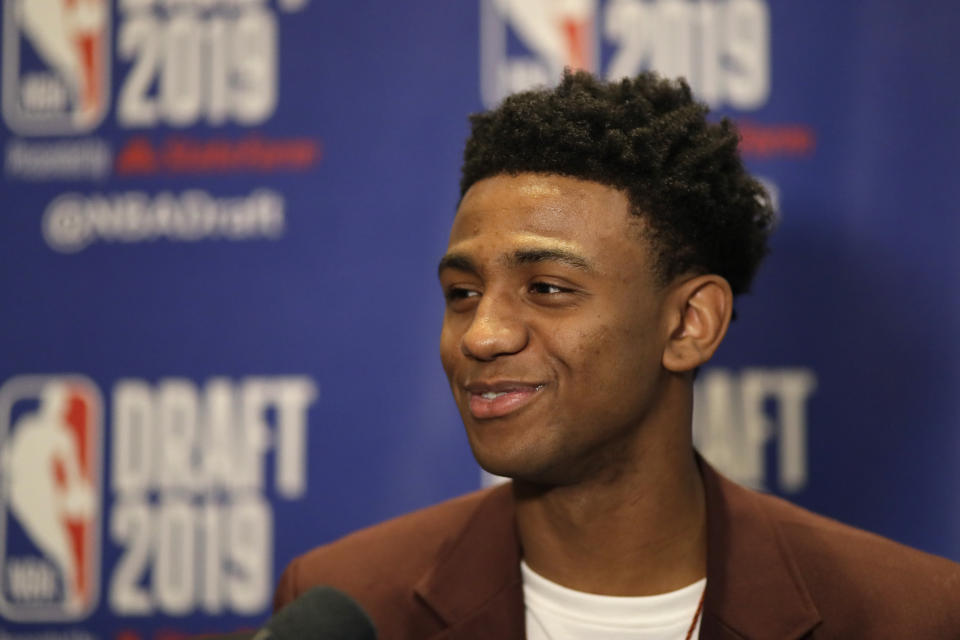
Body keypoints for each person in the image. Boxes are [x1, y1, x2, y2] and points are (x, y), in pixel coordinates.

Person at [272, 71, 960, 639]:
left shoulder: (911, 615)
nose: (481, 335)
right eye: (462, 292)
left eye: (547, 288)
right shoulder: (351, 607)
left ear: (690, 323)